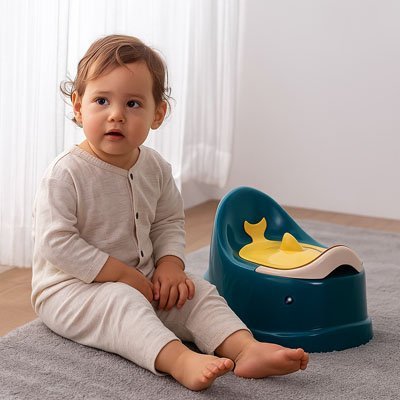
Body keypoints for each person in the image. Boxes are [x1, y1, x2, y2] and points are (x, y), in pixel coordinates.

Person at [32, 34, 309, 391]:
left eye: (133, 103)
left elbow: (167, 222)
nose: (116, 114)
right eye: (101, 100)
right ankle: (178, 359)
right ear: (78, 106)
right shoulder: (66, 173)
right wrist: (120, 274)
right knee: (123, 302)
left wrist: (169, 265)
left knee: (197, 292)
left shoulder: (156, 168)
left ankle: (245, 348)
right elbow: (56, 243)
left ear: (158, 114)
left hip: (143, 278)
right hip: (71, 291)